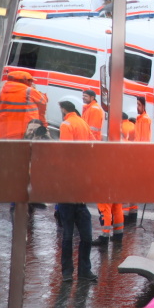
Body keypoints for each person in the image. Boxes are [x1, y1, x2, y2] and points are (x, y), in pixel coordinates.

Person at [56, 100, 97, 283]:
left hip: (68, 187)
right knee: (86, 236)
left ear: (64, 110)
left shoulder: (66, 124)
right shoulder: (83, 124)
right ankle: (83, 271)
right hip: (80, 188)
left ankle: (68, 272)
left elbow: (65, 152)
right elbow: (94, 146)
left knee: (67, 235)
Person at [0, 70, 45, 140]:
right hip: (21, 132)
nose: (32, 83)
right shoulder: (29, 91)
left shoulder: (2, 90)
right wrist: (35, 89)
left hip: (1, 131)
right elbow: (44, 100)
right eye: (30, 81)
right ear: (25, 80)